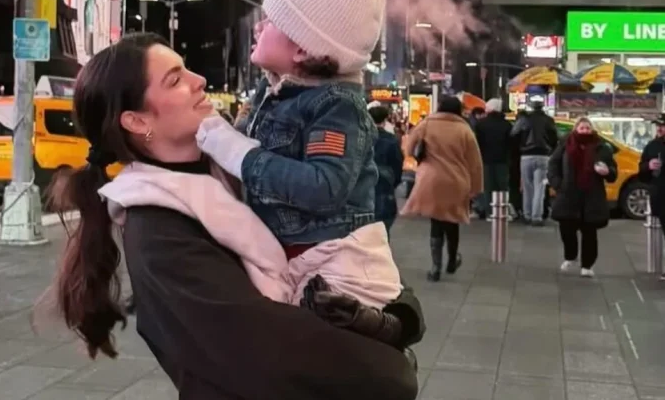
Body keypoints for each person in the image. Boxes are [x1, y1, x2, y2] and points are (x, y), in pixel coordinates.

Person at [47, 33, 422, 399]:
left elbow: (348, 244)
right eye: (175, 79)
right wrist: (394, 371)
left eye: (187, 69)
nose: (200, 81)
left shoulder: (238, 169)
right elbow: (270, 352)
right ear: (137, 121)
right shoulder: (157, 230)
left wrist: (399, 318)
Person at [193, 0, 411, 324]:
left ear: (302, 50)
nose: (259, 27)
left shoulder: (337, 105)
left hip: (335, 272)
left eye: (272, 21)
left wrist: (236, 151)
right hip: (293, 261)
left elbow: (323, 188)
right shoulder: (274, 89)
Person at [401, 96, 484, 282]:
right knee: (452, 221)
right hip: (456, 180)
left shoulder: (427, 124)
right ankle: (452, 261)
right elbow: (475, 163)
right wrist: (476, 188)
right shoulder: (464, 129)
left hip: (430, 180)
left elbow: (409, 146)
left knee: (436, 222)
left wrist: (419, 160)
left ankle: (435, 268)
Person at [548, 118, 617, 278]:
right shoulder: (565, 145)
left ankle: (587, 265)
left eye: (587, 128)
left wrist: (607, 172)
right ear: (576, 129)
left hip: (591, 195)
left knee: (589, 232)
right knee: (566, 228)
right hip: (568, 194)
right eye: (582, 127)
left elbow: (613, 171)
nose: (585, 130)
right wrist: (558, 184)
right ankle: (570, 256)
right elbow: (553, 165)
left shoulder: (601, 148)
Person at [511, 97, 558, 226]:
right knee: (540, 188)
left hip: (526, 157)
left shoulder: (523, 119)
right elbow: (555, 138)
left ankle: (527, 214)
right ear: (542, 107)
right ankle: (536, 217)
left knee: (527, 187)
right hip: (543, 157)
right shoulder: (549, 120)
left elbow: (513, 135)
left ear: (531, 106)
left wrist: (520, 148)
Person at [474, 98, 513, 221]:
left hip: (485, 159)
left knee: (487, 187)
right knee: (502, 187)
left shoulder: (480, 124)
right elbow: (511, 144)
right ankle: (502, 210)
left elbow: (476, 143)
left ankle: (489, 212)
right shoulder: (507, 125)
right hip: (502, 160)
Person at [369, 105, 405, 237]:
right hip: (384, 189)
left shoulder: (360, 138)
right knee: (383, 231)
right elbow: (398, 166)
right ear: (385, 120)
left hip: (363, 190)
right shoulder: (391, 140)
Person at [638, 114, 665, 281]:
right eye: (658, 126)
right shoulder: (652, 146)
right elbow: (642, 172)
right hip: (660, 195)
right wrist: (647, 166)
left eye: (663, 126)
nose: (660, 129)